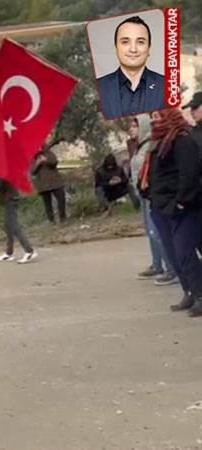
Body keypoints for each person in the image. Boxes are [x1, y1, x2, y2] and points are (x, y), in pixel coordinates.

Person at [139, 108, 202, 315]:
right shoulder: (157, 143)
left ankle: (200, 293)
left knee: (184, 252)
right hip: (160, 206)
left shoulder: (182, 140)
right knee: (173, 254)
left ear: (169, 117)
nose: (154, 121)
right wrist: (146, 192)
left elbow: (189, 174)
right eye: (152, 118)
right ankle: (189, 291)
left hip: (182, 207)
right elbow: (153, 174)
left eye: (158, 117)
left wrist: (182, 201)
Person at [132, 115, 178, 285]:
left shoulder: (150, 146)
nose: (131, 129)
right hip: (143, 194)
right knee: (151, 233)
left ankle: (172, 269)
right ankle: (157, 264)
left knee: (158, 232)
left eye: (135, 126)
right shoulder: (140, 146)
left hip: (152, 194)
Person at [97, 15, 165, 119]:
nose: (133, 49)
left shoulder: (167, 87)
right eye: (125, 42)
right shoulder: (99, 87)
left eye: (140, 42)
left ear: (149, 48)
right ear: (115, 48)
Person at [0, 178, 38, 264]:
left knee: (14, 226)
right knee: (8, 226)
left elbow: (0, 185)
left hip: (11, 199)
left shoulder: (1, 173)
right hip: (8, 199)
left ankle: (29, 251)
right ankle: (9, 253)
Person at [31, 148, 67, 224]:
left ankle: (63, 218)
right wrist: (38, 163)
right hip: (43, 183)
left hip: (55, 181)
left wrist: (46, 160)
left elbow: (55, 162)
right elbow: (32, 171)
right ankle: (51, 220)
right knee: (47, 203)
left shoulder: (48, 153)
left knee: (61, 198)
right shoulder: (31, 157)